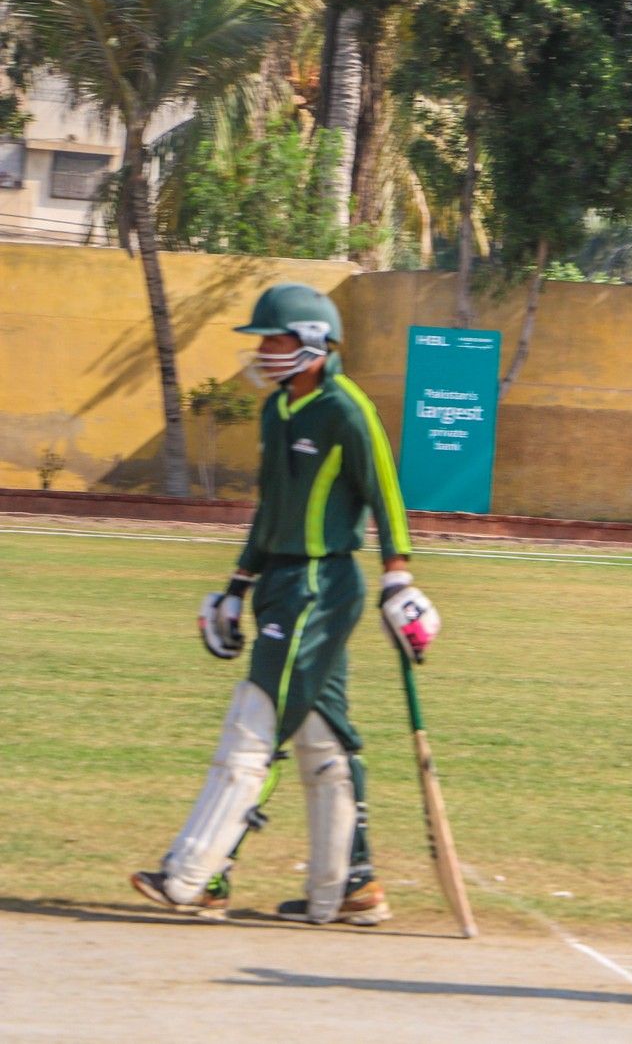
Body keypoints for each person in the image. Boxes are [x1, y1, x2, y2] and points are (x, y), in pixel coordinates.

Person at [131, 282, 439, 926]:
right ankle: (349, 888)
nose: (263, 351)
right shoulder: (277, 410)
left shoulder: (346, 408)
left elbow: (385, 490)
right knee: (323, 738)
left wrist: (399, 579)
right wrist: (237, 586)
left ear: (313, 342)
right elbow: (270, 507)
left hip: (321, 585)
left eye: (273, 340)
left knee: (255, 723)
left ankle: (195, 876)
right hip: (278, 582)